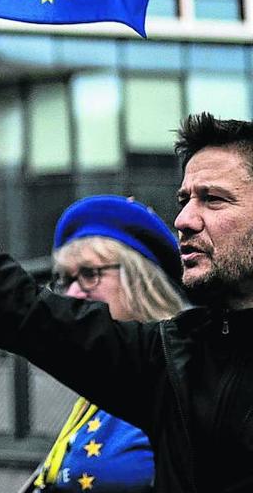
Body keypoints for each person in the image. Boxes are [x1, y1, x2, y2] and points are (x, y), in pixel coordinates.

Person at [0, 105, 253, 493]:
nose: (183, 219)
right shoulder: (173, 356)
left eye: (213, 198)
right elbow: (19, 308)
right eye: (184, 200)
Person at [27, 194, 187, 491]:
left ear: (141, 280)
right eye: (63, 279)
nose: (71, 294)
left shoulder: (184, 374)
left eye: (89, 274)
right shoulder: (101, 376)